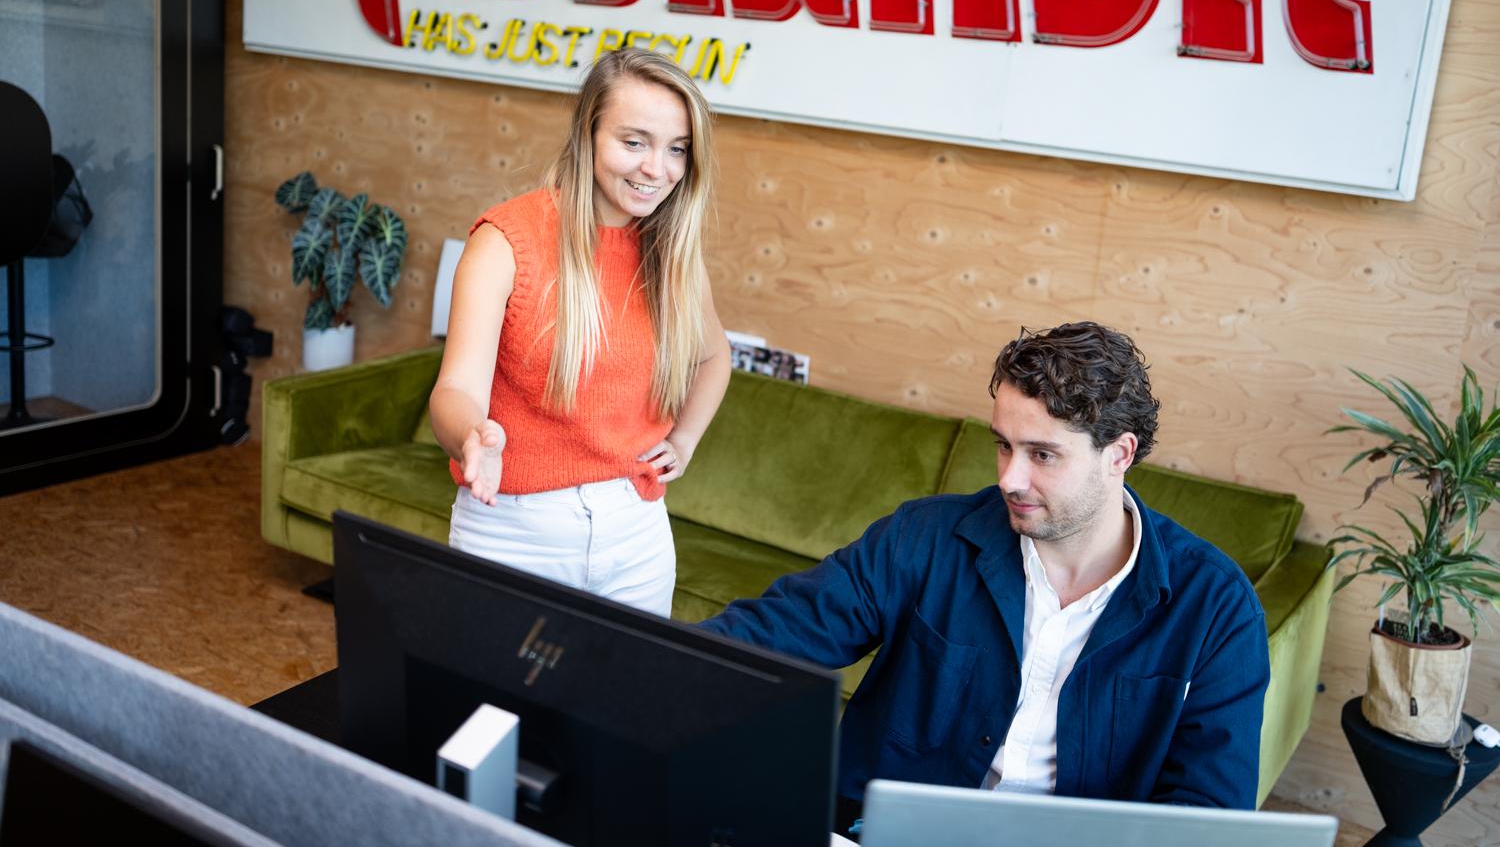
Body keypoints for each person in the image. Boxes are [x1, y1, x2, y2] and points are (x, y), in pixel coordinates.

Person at [700, 322, 1270, 820]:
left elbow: (1207, 812)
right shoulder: (923, 537)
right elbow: (773, 634)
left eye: (1042, 455)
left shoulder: (1215, 608)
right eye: (1003, 446)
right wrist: (662, 675)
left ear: (1119, 454)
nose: (1009, 479)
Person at [429, 48, 731, 616]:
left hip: (637, 533)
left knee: (629, 681)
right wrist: (471, 436)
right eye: (634, 142)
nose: (656, 168)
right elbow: (455, 390)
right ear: (587, 132)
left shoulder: (672, 255)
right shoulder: (505, 241)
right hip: (512, 532)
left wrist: (684, 441)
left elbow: (714, 357)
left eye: (677, 149)